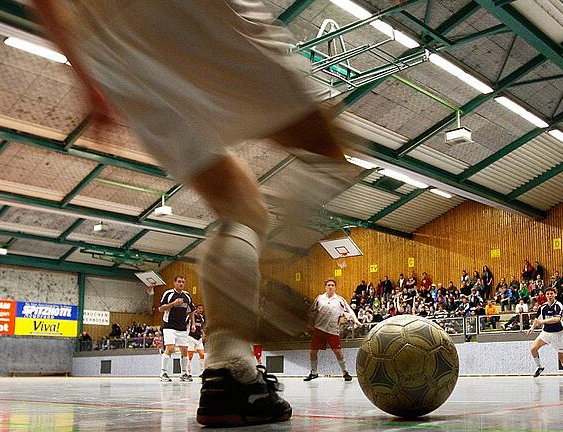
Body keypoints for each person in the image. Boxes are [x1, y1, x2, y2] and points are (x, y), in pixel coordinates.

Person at [32, 0, 357, 427]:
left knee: (241, 209)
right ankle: (274, 286)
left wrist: (88, 80)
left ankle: (228, 371)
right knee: (329, 149)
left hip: (110, 51)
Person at [304, 279, 361, 382]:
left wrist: (356, 321)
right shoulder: (319, 299)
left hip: (332, 331)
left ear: (335, 287)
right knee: (312, 352)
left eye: (332, 285)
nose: (330, 287)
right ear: (325, 287)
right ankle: (313, 372)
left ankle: (345, 373)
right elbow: (311, 311)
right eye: (328, 285)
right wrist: (309, 323)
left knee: (338, 352)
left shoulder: (340, 300)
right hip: (319, 329)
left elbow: (350, 311)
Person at [158, 276, 196, 383]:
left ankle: (184, 373)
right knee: (170, 349)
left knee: (185, 351)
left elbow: (191, 310)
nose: (181, 284)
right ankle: (163, 373)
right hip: (169, 326)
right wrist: (173, 304)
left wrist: (193, 324)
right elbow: (160, 308)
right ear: (174, 283)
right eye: (179, 282)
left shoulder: (187, 296)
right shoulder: (168, 294)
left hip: (182, 328)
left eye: (183, 282)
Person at [528, 288, 563, 379]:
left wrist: (542, 321)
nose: (549, 295)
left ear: (555, 294)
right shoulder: (542, 307)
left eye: (551, 293)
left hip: (558, 334)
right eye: (547, 294)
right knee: (533, 349)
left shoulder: (558, 305)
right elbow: (536, 319)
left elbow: (556, 319)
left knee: (561, 357)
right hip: (546, 333)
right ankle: (540, 367)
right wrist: (532, 327)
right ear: (545, 295)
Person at [187, 304, 206, 377]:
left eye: (202, 308)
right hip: (191, 337)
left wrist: (203, 333)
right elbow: (187, 324)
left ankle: (201, 371)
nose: (201, 310)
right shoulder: (192, 316)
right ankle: (188, 372)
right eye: (199, 308)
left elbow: (201, 327)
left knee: (202, 354)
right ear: (196, 309)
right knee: (190, 355)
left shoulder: (201, 317)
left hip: (199, 338)